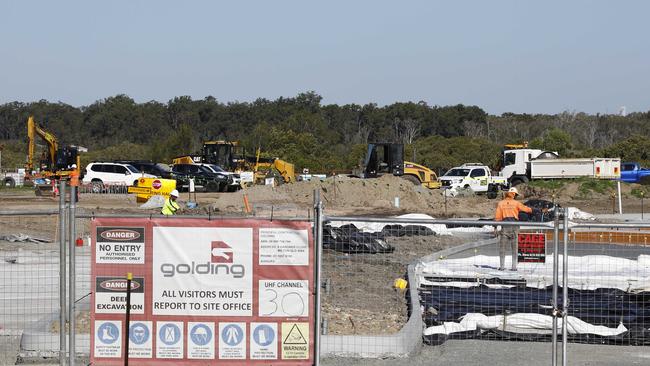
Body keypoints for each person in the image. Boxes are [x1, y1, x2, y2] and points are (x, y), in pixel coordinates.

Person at [495, 187, 532, 271]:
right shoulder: (516, 203)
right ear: (514, 194)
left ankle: (502, 266)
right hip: (515, 227)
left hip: (504, 226)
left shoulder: (501, 203)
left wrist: (495, 227)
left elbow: (497, 216)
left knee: (502, 248)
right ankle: (514, 267)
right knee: (515, 248)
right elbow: (526, 209)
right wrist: (533, 210)